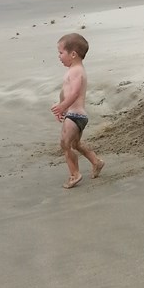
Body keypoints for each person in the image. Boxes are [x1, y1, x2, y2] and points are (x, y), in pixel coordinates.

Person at [50, 33, 104, 189]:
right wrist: (61, 106)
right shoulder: (73, 70)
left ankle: (75, 174)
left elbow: (74, 93)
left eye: (61, 53)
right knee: (75, 144)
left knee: (64, 144)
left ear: (73, 54)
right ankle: (96, 162)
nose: (59, 56)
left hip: (75, 115)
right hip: (74, 114)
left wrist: (62, 106)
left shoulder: (76, 71)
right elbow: (65, 92)